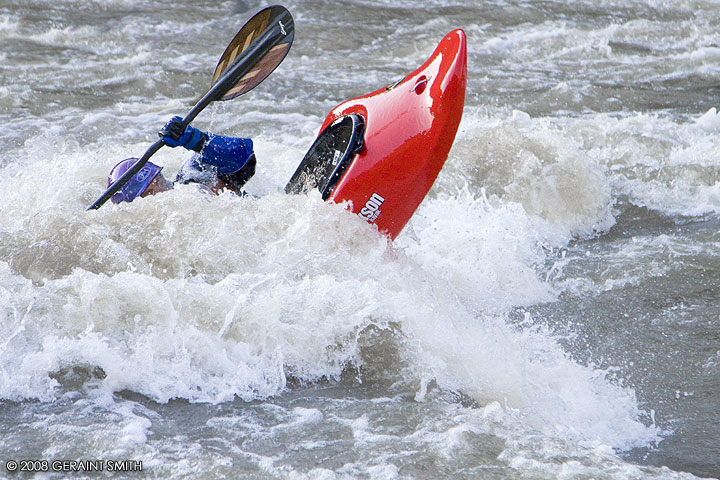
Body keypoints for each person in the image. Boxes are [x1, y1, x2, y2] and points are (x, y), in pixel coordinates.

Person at [107, 116, 256, 204]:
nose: (156, 183)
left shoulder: (193, 176)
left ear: (157, 180)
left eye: (150, 192)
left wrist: (196, 140)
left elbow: (245, 156)